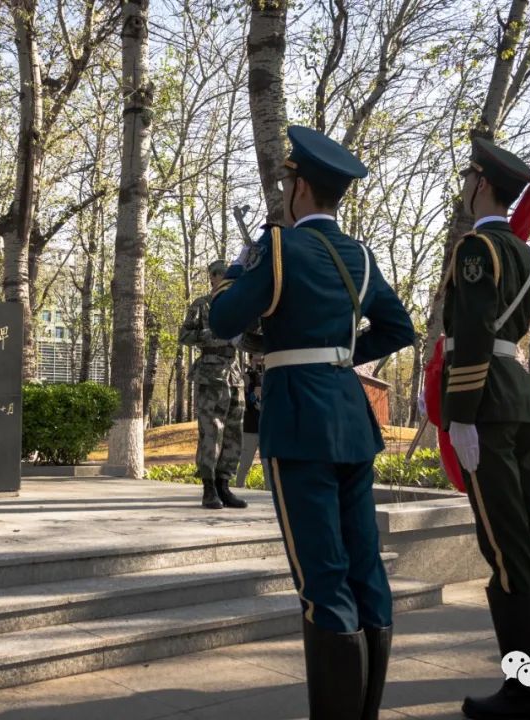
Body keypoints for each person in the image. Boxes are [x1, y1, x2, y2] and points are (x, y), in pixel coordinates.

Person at [209, 126, 414, 720]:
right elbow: (399, 329)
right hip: (349, 413)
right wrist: (340, 351)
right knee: (364, 567)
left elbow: (224, 320)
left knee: (321, 574)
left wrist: (234, 275)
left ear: (300, 187)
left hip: (299, 414)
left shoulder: (279, 249)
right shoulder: (362, 257)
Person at [441, 137, 530, 720]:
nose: (464, 185)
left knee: (506, 547)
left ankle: (526, 693)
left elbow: (472, 330)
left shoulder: (477, 248)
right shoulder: (528, 252)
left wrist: (459, 415)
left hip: (486, 401)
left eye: (468, 177)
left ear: (482, 183)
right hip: (519, 394)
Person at [178, 260, 247, 510]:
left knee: (233, 432)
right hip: (210, 374)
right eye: (223, 276)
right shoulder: (202, 305)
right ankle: (209, 489)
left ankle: (224, 485)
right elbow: (184, 336)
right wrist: (210, 334)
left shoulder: (239, 306)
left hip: (234, 375)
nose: (228, 280)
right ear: (213, 278)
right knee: (211, 432)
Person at [234, 355, 263, 489]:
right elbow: (242, 400)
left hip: (267, 429)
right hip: (250, 428)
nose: (260, 359)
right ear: (251, 359)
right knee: (245, 463)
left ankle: (269, 494)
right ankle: (239, 490)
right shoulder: (245, 377)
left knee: (268, 466)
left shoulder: (273, 375)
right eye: (256, 356)